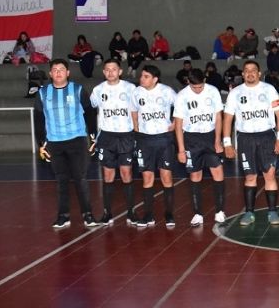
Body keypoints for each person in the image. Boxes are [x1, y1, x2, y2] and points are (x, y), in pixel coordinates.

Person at [33, 59, 98, 229]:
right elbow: (39, 119)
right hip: (54, 142)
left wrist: (92, 137)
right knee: (61, 180)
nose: (58, 72)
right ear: (50, 74)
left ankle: (88, 214)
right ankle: (63, 216)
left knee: (80, 178)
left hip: (77, 140)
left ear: (68, 73)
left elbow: (90, 113)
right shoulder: (42, 93)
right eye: (54, 70)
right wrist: (42, 143)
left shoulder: (78, 90)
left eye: (62, 69)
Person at [223, 60, 279, 226]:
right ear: (243, 74)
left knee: (269, 175)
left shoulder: (269, 89)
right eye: (247, 70)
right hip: (245, 138)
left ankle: (272, 211)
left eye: (254, 70)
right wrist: (227, 143)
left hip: (267, 136)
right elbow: (227, 119)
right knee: (250, 176)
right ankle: (249, 213)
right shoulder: (235, 93)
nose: (250, 73)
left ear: (259, 73)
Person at [173, 69, 226, 226]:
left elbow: (218, 117)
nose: (198, 89)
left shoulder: (213, 91)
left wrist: (218, 140)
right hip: (191, 138)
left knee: (218, 171)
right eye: (194, 87)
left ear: (205, 80)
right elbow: (178, 123)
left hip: (209, 136)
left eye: (201, 86)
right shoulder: (182, 95)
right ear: (188, 82)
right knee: (195, 176)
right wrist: (181, 149)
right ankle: (197, 213)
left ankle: (220, 211)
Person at [90, 59, 137, 226]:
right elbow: (90, 109)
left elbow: (137, 110)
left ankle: (131, 212)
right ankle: (107, 212)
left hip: (126, 135)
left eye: (114, 69)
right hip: (107, 136)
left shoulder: (130, 89)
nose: (110, 72)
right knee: (108, 175)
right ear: (103, 72)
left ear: (120, 71)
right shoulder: (98, 90)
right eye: (107, 69)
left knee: (126, 173)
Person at [131, 65, 178, 227]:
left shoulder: (167, 91)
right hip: (144, 140)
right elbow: (133, 110)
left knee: (166, 177)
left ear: (155, 79)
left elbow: (180, 106)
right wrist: (136, 126)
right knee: (147, 177)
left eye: (145, 76)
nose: (141, 78)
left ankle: (169, 214)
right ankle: (148, 215)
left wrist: (174, 123)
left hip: (163, 139)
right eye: (141, 76)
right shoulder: (136, 92)